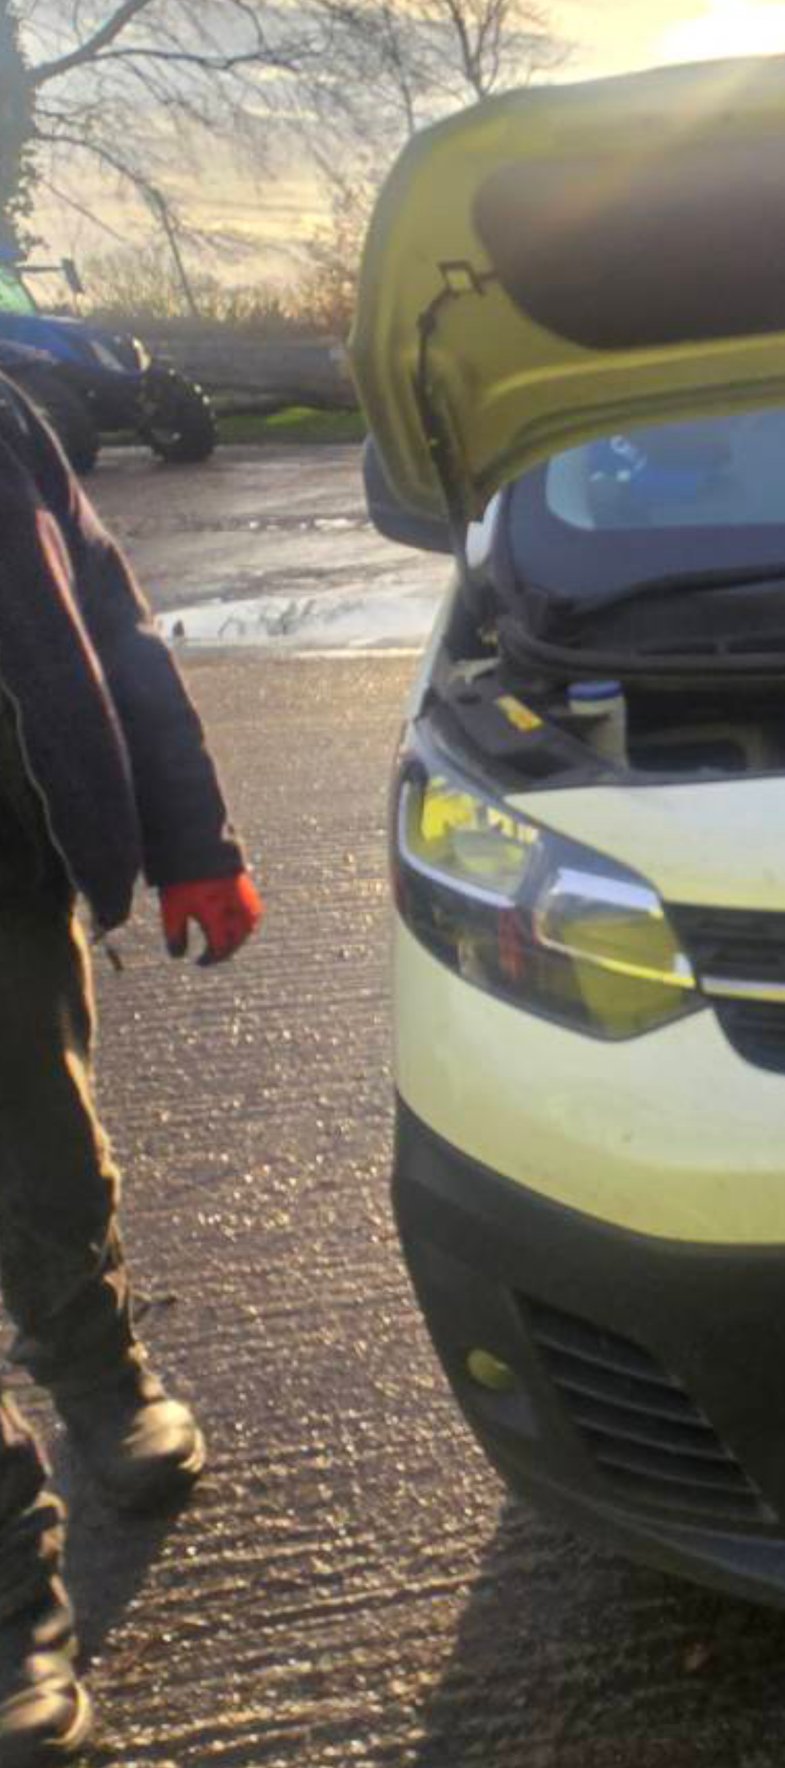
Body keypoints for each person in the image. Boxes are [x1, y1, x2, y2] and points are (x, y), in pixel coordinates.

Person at [0, 373, 261, 1760]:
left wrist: (195, 840)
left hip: (8, 877)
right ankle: (7, 1608)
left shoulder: (3, 416)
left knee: (47, 1166)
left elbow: (110, 622)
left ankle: (102, 1380)